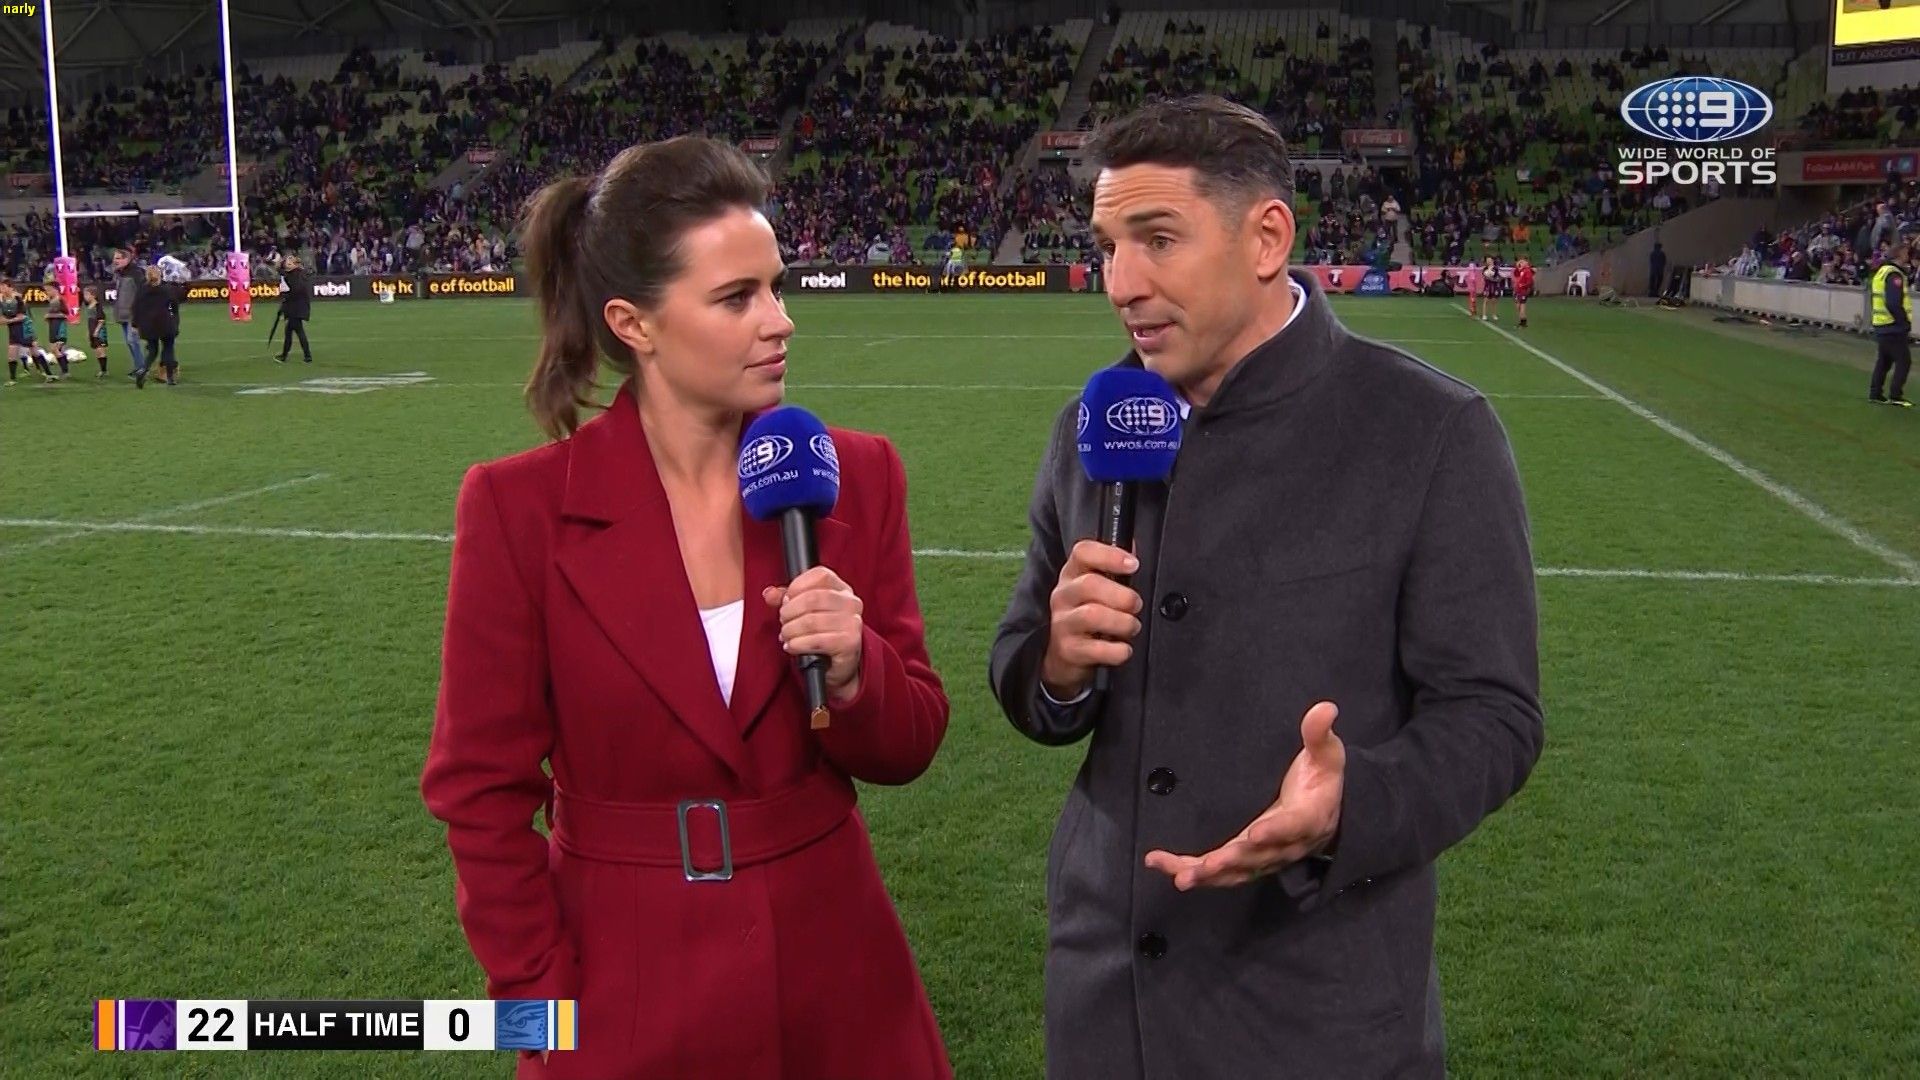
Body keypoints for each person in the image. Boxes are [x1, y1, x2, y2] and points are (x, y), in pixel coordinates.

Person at [989, 95, 1544, 1078]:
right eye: (1108, 246)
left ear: (1267, 238)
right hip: (1104, 1000)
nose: (1121, 283)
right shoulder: (1089, 424)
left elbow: (1493, 716)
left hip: (1313, 1012)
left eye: (1158, 240)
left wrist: (1351, 804)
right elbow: (1024, 671)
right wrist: (1058, 665)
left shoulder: (1429, 430)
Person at [420, 135, 954, 1080]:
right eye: (737, 298)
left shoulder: (857, 474)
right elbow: (479, 792)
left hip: (839, 974)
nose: (781, 321)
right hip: (622, 983)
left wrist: (859, 669)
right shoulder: (517, 508)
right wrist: (539, 1005)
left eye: (777, 287)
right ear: (634, 324)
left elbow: (909, 743)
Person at [1869, 239, 1913, 407]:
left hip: (1881, 323)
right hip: (1892, 325)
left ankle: (1875, 393)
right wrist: (1903, 322)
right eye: (1906, 252)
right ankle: (1895, 395)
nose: (1908, 256)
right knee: (1903, 361)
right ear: (1899, 254)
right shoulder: (1894, 275)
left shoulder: (1882, 272)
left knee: (1884, 361)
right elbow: (1893, 303)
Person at [132, 265, 180, 386]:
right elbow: (174, 306)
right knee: (168, 349)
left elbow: (136, 308)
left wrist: (135, 324)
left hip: (148, 325)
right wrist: (175, 321)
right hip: (165, 322)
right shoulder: (167, 289)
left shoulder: (142, 290)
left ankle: (143, 370)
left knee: (152, 351)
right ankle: (170, 377)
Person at [0, 283, 57, 384]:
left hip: (25, 328)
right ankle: (12, 380)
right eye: (1, 287)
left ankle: (49, 374)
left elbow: (22, 317)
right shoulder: (2, 300)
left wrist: (8, 321)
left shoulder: (18, 299)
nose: (1, 289)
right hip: (13, 330)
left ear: (11, 288)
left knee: (35, 352)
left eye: (4, 287)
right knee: (11, 355)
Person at [109, 248, 148, 382]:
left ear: (127, 259)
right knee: (130, 342)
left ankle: (142, 369)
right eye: (114, 258)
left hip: (133, 314)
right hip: (123, 313)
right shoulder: (120, 273)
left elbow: (142, 293)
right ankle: (138, 367)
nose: (115, 261)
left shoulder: (136, 273)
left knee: (133, 341)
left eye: (118, 258)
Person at [275, 255, 313, 363]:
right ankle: (289, 355)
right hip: (297, 307)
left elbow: (295, 290)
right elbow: (279, 268)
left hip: (296, 307)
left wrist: (286, 298)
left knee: (296, 331)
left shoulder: (295, 275)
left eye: (290, 262)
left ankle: (290, 356)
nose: (288, 264)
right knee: (292, 331)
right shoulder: (295, 274)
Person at [83, 285, 110, 378]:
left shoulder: (98, 306)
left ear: (93, 295)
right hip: (92, 330)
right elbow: (89, 320)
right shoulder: (89, 306)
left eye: (87, 294)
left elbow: (101, 320)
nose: (85, 297)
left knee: (100, 350)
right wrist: (89, 332)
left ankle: (104, 370)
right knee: (97, 351)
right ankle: (102, 370)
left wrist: (97, 331)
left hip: (99, 332)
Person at [1514, 254, 1536, 328]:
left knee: (1522, 306)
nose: (1521, 263)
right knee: (1518, 307)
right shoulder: (1521, 270)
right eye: (1520, 262)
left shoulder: (1527, 271)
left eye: (1522, 262)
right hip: (1518, 291)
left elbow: (1530, 282)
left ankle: (1523, 323)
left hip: (1523, 291)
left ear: (1527, 262)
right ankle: (1522, 320)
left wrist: (1522, 285)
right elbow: (1515, 273)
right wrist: (1517, 265)